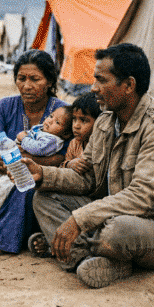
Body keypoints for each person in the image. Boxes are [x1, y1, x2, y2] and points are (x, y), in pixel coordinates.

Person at [28, 43, 154, 288]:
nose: (93, 88)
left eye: (101, 80)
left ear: (129, 85)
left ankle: (87, 249)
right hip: (113, 213)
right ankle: (89, 260)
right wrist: (43, 174)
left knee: (117, 231)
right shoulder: (106, 121)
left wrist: (79, 220)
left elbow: (145, 198)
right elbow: (87, 179)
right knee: (44, 197)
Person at [0, 49, 68, 257]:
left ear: (49, 81)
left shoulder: (63, 113)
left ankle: (1, 238)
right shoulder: (5, 107)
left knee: (24, 189)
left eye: (35, 79)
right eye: (21, 78)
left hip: (38, 177)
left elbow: (65, 156)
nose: (26, 86)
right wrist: (7, 161)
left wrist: (25, 161)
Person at [0, 107, 72, 226]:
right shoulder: (42, 130)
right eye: (51, 116)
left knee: (4, 184)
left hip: (23, 169)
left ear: (65, 134)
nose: (50, 121)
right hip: (11, 160)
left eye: (57, 122)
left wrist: (23, 138)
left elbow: (37, 149)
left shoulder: (53, 140)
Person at [29, 92, 101, 256]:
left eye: (84, 121)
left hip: (96, 202)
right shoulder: (75, 143)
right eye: (75, 119)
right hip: (80, 197)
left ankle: (72, 250)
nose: (76, 125)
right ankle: (61, 244)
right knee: (42, 197)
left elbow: (91, 181)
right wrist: (69, 164)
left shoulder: (100, 144)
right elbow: (64, 166)